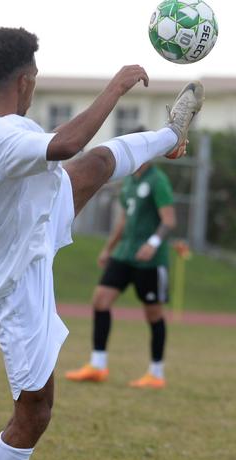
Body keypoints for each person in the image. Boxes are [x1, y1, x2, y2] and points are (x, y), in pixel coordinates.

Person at [0, 27, 202, 460]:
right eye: (35, 76)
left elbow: (68, 156)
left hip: (27, 227)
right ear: (25, 79)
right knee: (35, 410)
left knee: (94, 166)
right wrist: (115, 87)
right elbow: (61, 143)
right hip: (12, 279)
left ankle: (166, 135)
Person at [65, 149, 176, 389]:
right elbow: (124, 219)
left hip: (150, 260)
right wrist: (109, 248)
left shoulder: (158, 181)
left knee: (153, 314)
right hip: (124, 254)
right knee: (100, 300)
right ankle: (97, 365)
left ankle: (156, 373)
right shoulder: (129, 182)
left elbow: (169, 221)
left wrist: (152, 244)